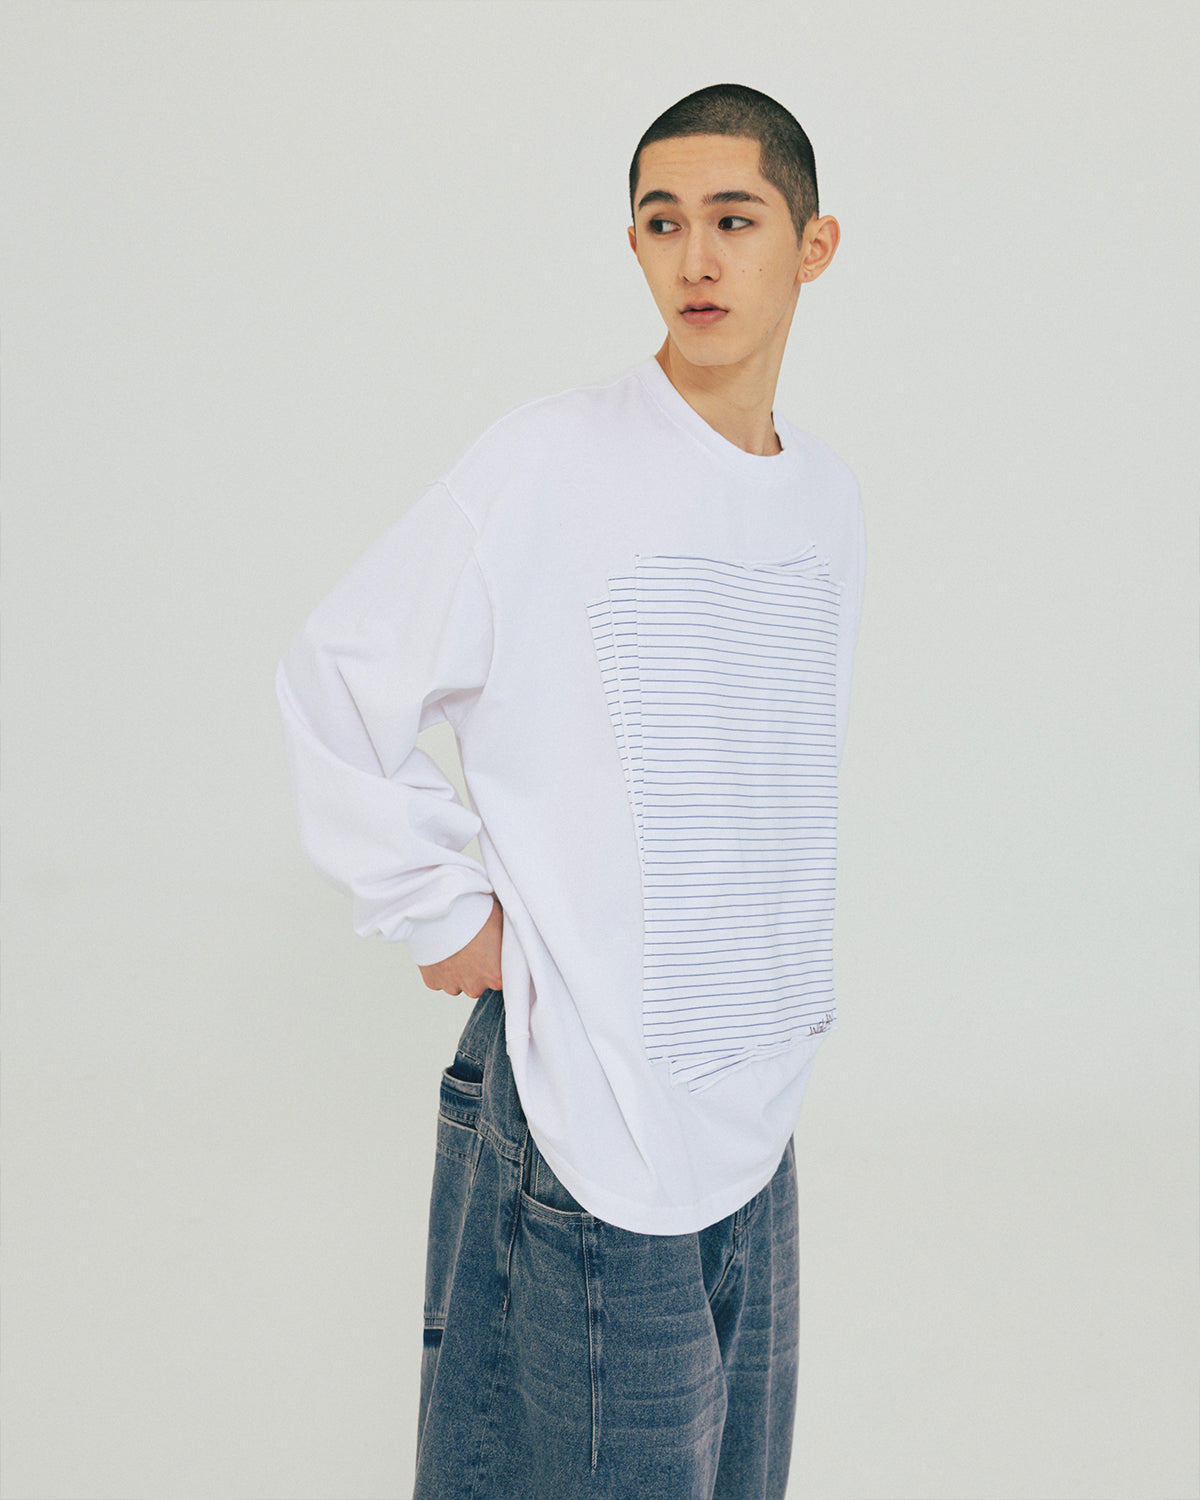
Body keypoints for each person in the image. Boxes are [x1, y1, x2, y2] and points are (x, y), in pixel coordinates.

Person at [277, 82, 864, 1500]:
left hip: (751, 1116)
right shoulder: (552, 460)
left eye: (735, 220)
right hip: (589, 1114)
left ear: (814, 245)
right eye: (663, 224)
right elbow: (335, 676)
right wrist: (438, 907)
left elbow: (770, 790)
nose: (696, 258)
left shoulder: (826, 501)